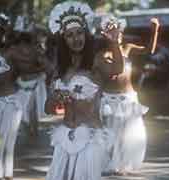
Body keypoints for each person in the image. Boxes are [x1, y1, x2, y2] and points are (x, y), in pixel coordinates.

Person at [45, 2, 114, 180]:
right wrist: (56, 98)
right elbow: (48, 109)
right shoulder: (59, 70)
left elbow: (118, 69)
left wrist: (113, 42)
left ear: (86, 34)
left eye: (79, 33)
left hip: (91, 136)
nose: (76, 39)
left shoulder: (96, 62)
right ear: (63, 40)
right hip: (65, 135)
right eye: (70, 35)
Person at [91, 15, 160, 176]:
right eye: (113, 32)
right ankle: (109, 163)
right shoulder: (100, 55)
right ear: (106, 35)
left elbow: (149, 50)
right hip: (109, 98)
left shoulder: (127, 48)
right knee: (110, 133)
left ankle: (121, 164)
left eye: (119, 32)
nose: (118, 35)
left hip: (128, 97)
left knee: (127, 134)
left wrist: (155, 30)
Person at [0, 13, 23, 180]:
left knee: (7, 140)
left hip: (10, 102)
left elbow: (32, 63)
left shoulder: (11, 52)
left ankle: (6, 173)